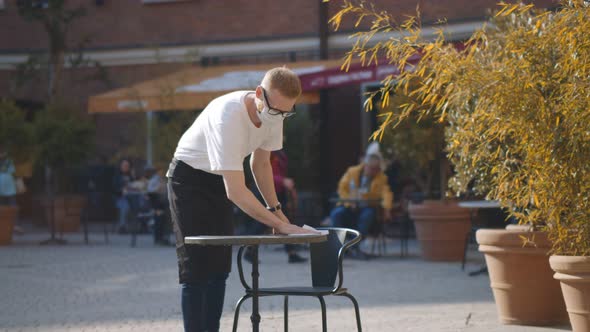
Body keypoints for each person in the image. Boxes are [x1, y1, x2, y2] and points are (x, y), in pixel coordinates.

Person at [166, 67, 316, 332]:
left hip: (221, 177)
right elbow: (235, 192)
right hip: (189, 180)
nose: (279, 117)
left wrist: (276, 211)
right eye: (275, 111)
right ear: (259, 93)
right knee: (197, 269)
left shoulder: (274, 111)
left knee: (219, 270)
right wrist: (280, 226)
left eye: (286, 113)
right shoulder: (229, 116)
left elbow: (261, 165)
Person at [241, 149, 307, 263]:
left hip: (278, 192)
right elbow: (262, 169)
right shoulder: (267, 149)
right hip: (265, 192)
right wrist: (282, 181)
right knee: (262, 222)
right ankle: (249, 249)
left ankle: (291, 252)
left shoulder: (278, 150)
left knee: (285, 221)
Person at [330, 153, 394, 259]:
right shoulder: (352, 172)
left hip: (367, 207)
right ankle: (340, 245)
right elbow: (342, 188)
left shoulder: (382, 177)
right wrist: (350, 202)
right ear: (365, 166)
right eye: (372, 168)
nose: (374, 171)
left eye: (376, 169)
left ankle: (354, 245)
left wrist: (387, 208)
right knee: (336, 214)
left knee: (367, 215)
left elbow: (386, 193)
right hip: (349, 206)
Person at [145, 165, 170, 245]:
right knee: (159, 218)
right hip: (157, 204)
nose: (162, 173)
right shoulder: (155, 180)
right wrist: (158, 188)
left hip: (162, 203)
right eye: (161, 171)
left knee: (163, 219)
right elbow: (150, 192)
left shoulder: (163, 179)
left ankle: (162, 238)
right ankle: (159, 239)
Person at [113, 158, 135, 233]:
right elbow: (114, 188)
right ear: (120, 166)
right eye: (124, 165)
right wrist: (121, 190)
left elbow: (136, 186)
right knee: (125, 206)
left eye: (127, 166)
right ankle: (122, 227)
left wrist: (133, 176)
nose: (126, 167)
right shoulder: (117, 176)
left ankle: (144, 226)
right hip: (120, 197)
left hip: (132, 197)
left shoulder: (131, 176)